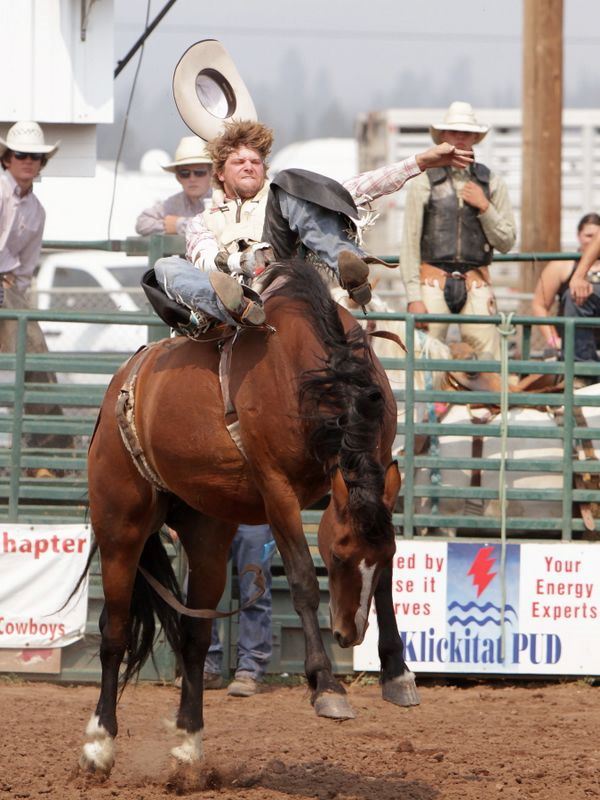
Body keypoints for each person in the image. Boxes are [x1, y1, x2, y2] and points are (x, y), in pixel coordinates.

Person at [152, 119, 474, 331]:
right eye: (239, 162)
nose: (249, 167)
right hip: (231, 284)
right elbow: (204, 255)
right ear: (220, 173)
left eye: (255, 162)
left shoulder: (277, 197)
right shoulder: (202, 220)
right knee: (164, 267)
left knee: (293, 184)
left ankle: (350, 269)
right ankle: (236, 307)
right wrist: (237, 262)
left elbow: (357, 188)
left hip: (277, 276)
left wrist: (418, 162)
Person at [400, 101, 516, 358]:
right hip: (432, 279)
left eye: (465, 133)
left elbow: (507, 241)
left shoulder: (492, 182)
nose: (460, 139)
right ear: (443, 136)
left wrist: (485, 208)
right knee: (423, 357)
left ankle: (483, 400)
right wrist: (413, 296)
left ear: (475, 137)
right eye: (454, 132)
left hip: (476, 279)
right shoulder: (423, 181)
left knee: (489, 360)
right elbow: (410, 243)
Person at [0, 120, 74, 473]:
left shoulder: (36, 210)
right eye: (21, 155)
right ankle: (51, 455)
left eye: (34, 156)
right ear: (7, 158)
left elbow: (25, 271)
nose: (27, 161)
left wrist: (12, 289)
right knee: (32, 355)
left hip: (8, 291)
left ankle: (47, 456)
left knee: (33, 357)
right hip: (6, 290)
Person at [203, 523, 276, 696]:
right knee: (196, 591)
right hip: (213, 515)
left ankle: (250, 671)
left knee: (254, 594)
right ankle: (206, 666)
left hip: (255, 518)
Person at [532, 213, 600, 359]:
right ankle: (580, 373)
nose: (593, 241)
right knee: (573, 296)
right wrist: (553, 339)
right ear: (578, 235)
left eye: (596, 237)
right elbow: (539, 304)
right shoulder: (561, 265)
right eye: (589, 236)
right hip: (572, 346)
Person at [135, 136, 212, 237]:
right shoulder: (174, 203)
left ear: (211, 174)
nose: (192, 178)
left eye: (199, 172)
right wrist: (169, 226)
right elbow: (142, 223)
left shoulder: (223, 199)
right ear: (178, 178)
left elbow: (221, 228)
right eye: (184, 173)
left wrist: (177, 225)